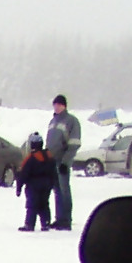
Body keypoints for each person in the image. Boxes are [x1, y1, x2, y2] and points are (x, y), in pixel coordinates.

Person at [45, 94, 81, 231]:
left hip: (62, 161)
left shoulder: (71, 121)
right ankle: (59, 218)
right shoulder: (53, 121)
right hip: (52, 161)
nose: (56, 107)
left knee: (64, 190)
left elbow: (74, 143)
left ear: (64, 106)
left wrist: (66, 162)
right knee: (57, 191)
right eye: (55, 104)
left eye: (59, 104)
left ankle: (66, 220)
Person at [15, 134, 56, 232]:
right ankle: (45, 223)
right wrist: (53, 184)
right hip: (47, 185)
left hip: (33, 185)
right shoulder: (49, 157)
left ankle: (29, 224)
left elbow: (23, 174)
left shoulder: (31, 158)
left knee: (32, 205)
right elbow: (54, 172)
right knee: (44, 204)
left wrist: (19, 188)